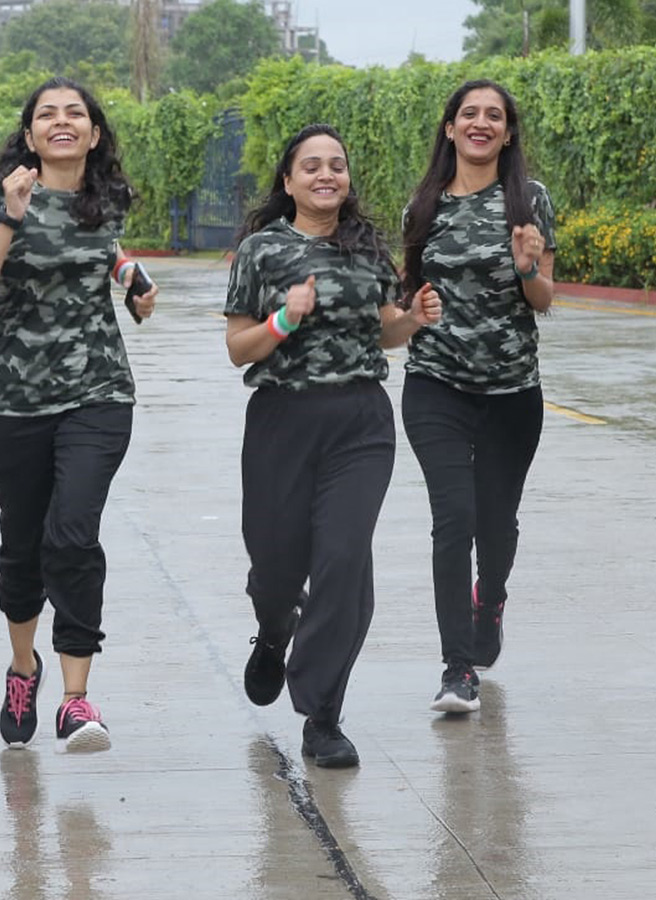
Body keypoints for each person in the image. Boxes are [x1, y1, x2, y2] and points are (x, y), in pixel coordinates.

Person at [225, 124, 441, 768]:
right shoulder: (261, 251)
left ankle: (323, 714)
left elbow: (384, 335)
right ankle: (272, 631)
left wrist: (413, 317)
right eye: (311, 166)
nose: (327, 175)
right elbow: (239, 348)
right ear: (288, 181)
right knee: (276, 571)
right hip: (280, 422)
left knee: (345, 561)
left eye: (337, 166)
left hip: (359, 422)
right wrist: (284, 318)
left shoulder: (367, 248)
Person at [0, 76, 158, 753]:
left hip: (99, 394)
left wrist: (131, 279)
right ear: (31, 133)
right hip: (16, 401)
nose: (63, 122)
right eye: (49, 114)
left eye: (76, 114)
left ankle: (76, 698)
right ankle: (23, 668)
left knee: (72, 533)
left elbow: (106, 251)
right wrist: (11, 218)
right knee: (23, 547)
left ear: (94, 134)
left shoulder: (109, 200)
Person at [401, 80, 555, 715]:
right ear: (450, 128)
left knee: (496, 523)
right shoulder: (424, 204)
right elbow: (406, 294)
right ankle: (456, 666)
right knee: (452, 520)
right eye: (470, 114)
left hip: (512, 393)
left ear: (508, 133)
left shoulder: (529, 200)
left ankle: (489, 598)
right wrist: (409, 312)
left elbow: (544, 299)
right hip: (435, 382)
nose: (481, 123)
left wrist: (526, 267)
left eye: (494, 116)